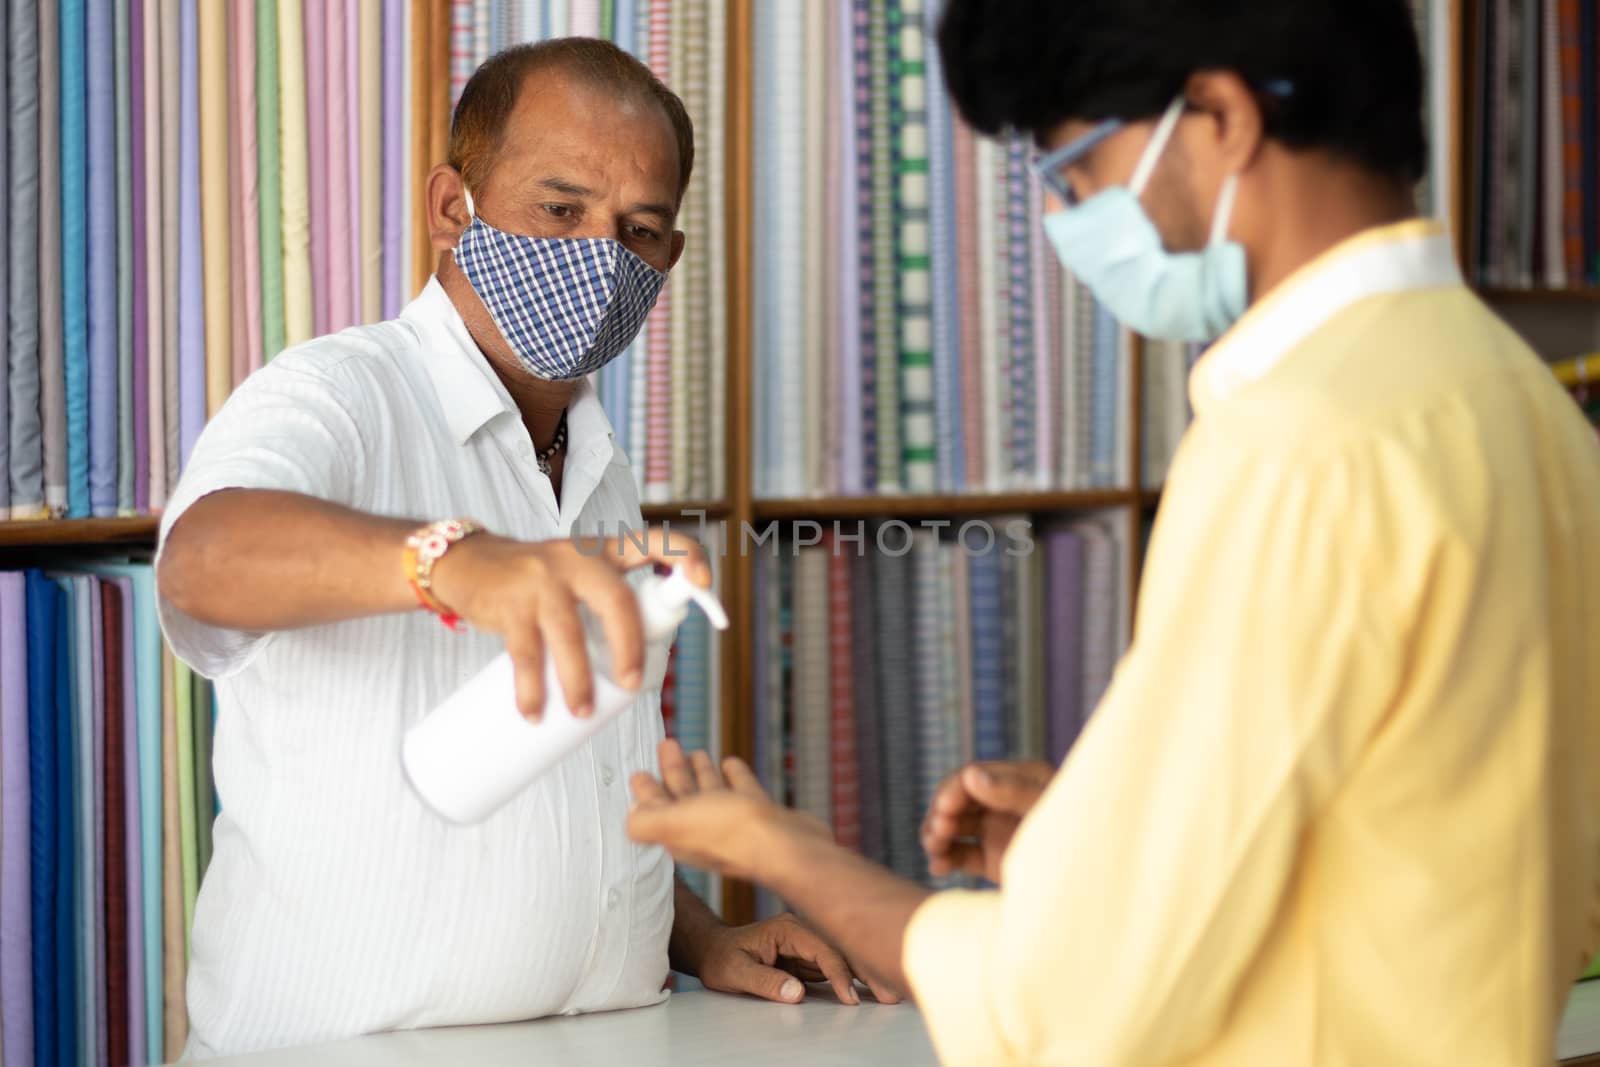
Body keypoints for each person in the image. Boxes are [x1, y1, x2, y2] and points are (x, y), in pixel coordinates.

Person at [625, 1, 1600, 1064]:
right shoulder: (1525, 406)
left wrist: (787, 853)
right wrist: (1116, 828)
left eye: (1078, 171)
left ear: (1220, 115)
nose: (1076, 218)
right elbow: (1449, 827)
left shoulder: (1295, 446)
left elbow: (1069, 1001)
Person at [156, 39, 882, 1059]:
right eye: (560, 208)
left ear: (667, 259)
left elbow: (574, 786)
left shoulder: (600, 467)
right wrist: (449, 559)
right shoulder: (338, 392)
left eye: (640, 229)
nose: (601, 254)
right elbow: (202, 558)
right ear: (453, 208)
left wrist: (704, 936)